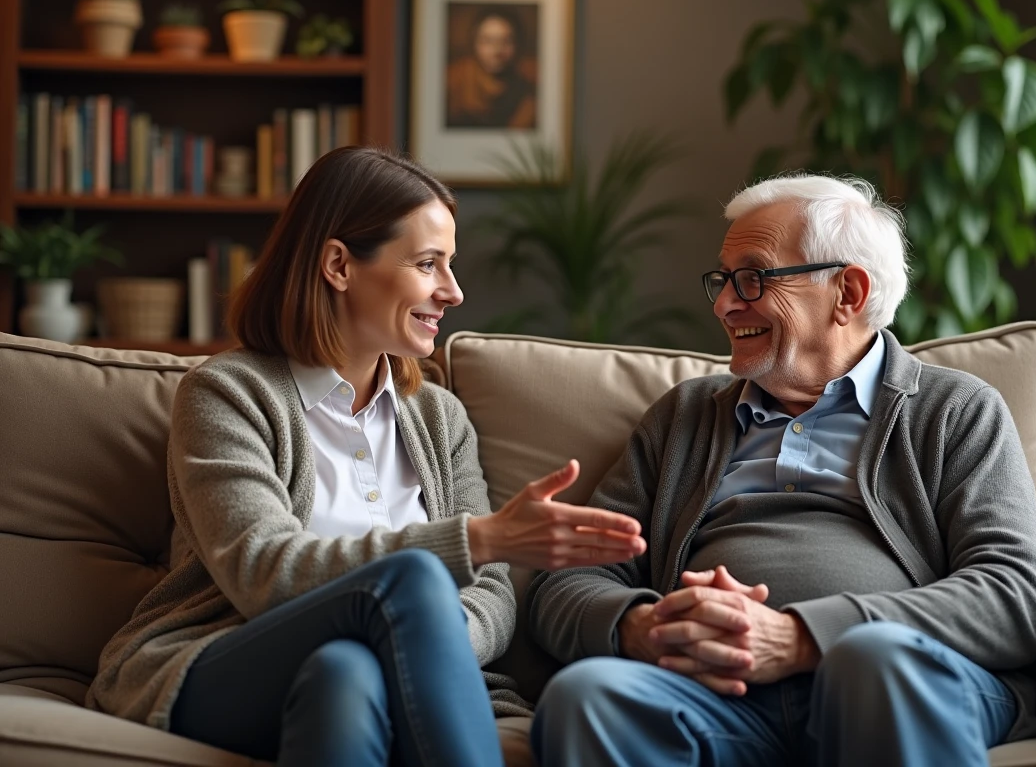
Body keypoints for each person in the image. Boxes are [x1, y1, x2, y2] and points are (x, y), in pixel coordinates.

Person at [85, 146, 646, 767]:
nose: (453, 292)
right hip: (225, 658)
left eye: (449, 266)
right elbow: (261, 570)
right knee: (411, 580)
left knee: (344, 674)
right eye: (428, 264)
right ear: (338, 265)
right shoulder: (227, 394)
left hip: (355, 674)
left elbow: (492, 595)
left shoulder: (439, 417)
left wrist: (418, 638)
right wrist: (472, 545)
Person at [528, 174, 1036, 766]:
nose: (725, 303)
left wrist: (802, 637)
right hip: (720, 698)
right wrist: (645, 627)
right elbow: (564, 581)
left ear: (848, 293)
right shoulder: (685, 417)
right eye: (723, 280)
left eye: (753, 277)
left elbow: (1012, 597)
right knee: (587, 697)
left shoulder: (954, 409)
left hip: (890, 682)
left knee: (873, 661)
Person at [445, 4, 537, 129]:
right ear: (474, 44)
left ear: (518, 45)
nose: (497, 51)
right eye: (487, 41)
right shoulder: (453, 81)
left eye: (506, 41)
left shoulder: (530, 91)